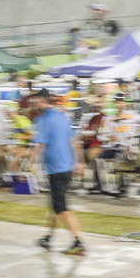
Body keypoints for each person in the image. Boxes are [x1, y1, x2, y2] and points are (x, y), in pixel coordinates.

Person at [30, 89, 85, 255]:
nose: (35, 104)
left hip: (55, 169)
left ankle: (77, 242)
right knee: (54, 205)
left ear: (44, 101)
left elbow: (39, 144)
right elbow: (75, 141)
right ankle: (48, 238)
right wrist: (80, 162)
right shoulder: (63, 117)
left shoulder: (43, 120)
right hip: (66, 166)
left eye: (37, 101)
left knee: (61, 208)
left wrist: (29, 164)